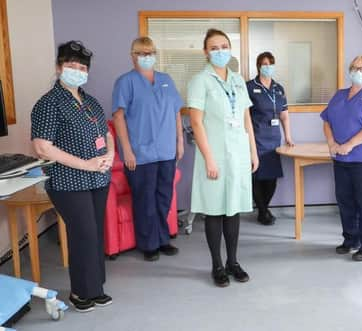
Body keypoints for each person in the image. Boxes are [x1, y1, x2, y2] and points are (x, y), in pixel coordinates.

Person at [31, 41, 114, 312]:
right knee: (83, 234)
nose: (77, 71)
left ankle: (95, 288)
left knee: (95, 234)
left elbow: (107, 134)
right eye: (71, 66)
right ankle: (80, 292)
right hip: (68, 182)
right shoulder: (49, 103)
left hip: (98, 179)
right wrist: (86, 164)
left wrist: (110, 156)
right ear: (59, 68)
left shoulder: (90, 102)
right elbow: (42, 147)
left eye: (82, 67)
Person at [188, 28, 259, 287]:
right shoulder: (200, 80)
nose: (220, 51)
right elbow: (196, 123)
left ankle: (233, 261)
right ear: (206, 52)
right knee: (215, 209)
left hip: (238, 154)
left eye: (224, 46)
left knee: (233, 209)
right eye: (214, 47)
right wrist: (209, 158)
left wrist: (252, 150)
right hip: (214, 154)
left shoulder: (238, 79)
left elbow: (246, 117)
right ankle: (217, 265)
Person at [112, 37, 184, 261]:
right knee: (145, 200)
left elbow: (176, 112)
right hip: (140, 154)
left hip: (166, 151)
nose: (146, 57)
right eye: (141, 53)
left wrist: (179, 141)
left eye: (150, 52)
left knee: (163, 197)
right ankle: (148, 244)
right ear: (132, 56)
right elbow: (118, 116)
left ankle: (163, 239)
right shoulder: (125, 82)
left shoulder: (166, 80)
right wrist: (127, 150)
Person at [321, 56, 362, 261]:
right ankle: (351, 239)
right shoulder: (339, 95)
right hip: (341, 160)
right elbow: (326, 121)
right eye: (356, 68)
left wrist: (349, 144)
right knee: (345, 201)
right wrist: (332, 143)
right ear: (349, 71)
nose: (360, 71)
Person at [247, 52, 294, 225]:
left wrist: (288, 136)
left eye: (270, 63)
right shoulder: (250, 87)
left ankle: (263, 209)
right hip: (256, 138)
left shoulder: (278, 88)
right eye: (264, 64)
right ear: (259, 66)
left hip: (274, 139)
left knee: (271, 178)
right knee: (257, 177)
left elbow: (284, 115)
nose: (268, 67)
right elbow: (244, 116)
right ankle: (263, 211)